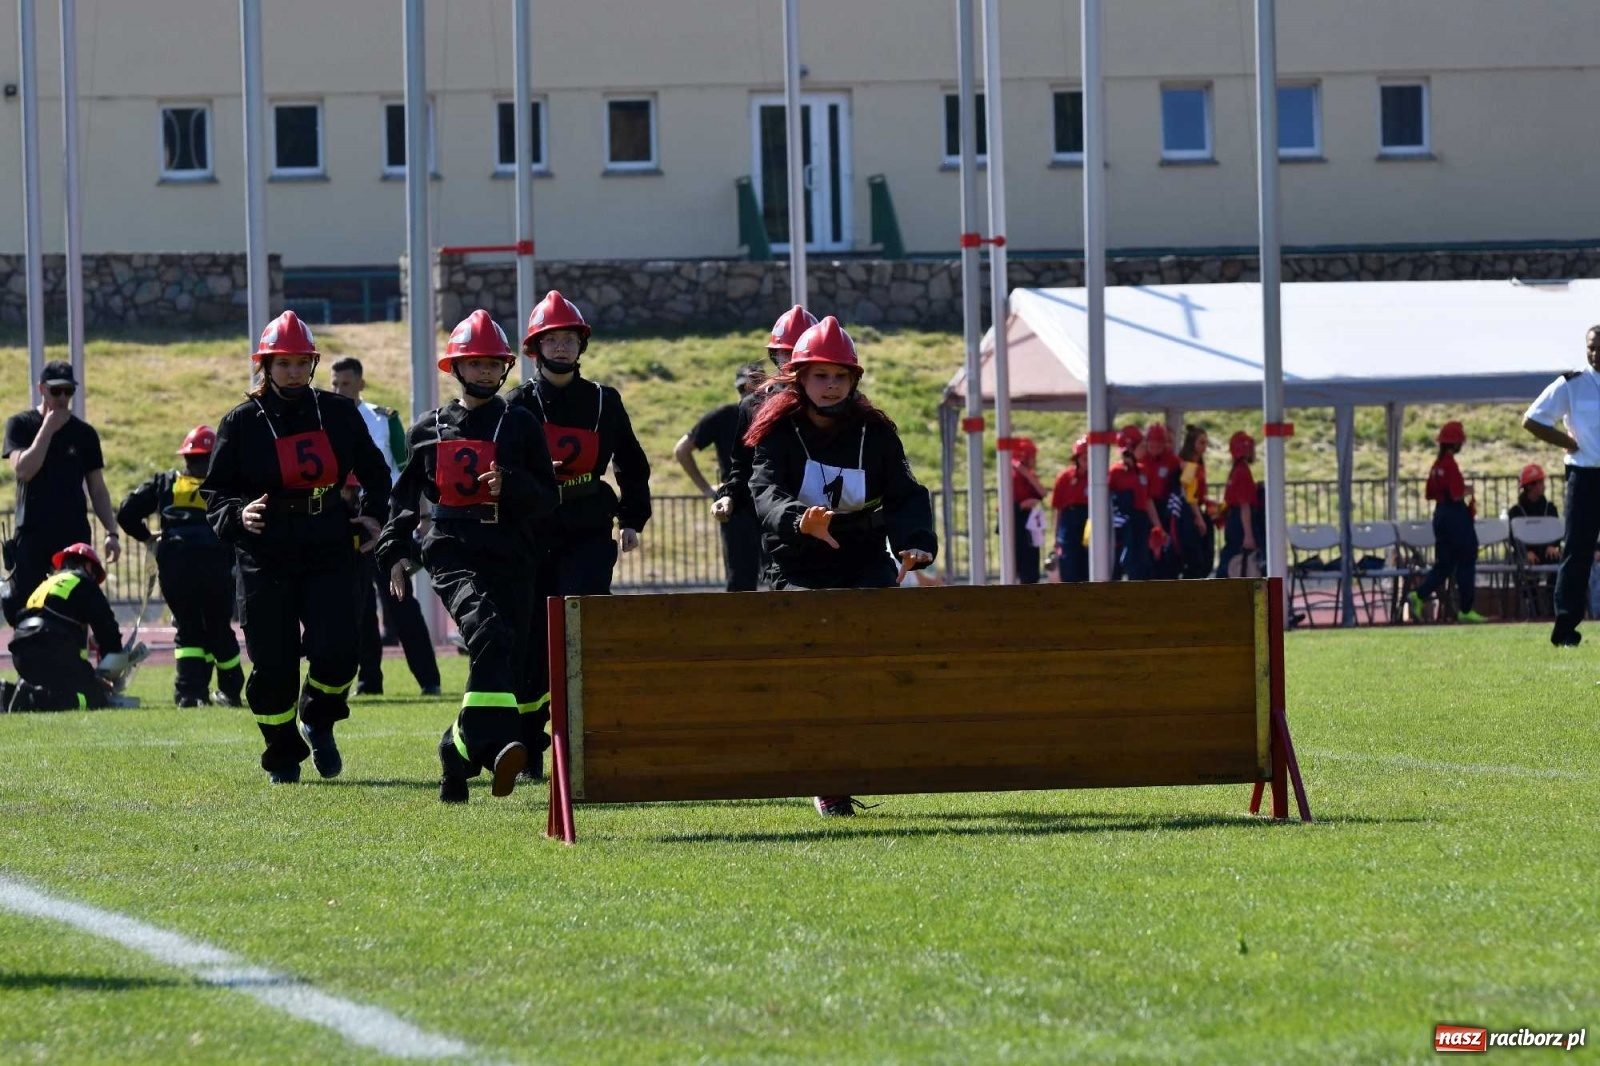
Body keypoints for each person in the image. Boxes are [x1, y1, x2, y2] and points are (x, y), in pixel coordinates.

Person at [747, 316, 936, 818]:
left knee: (878, 656)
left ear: (853, 381)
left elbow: (906, 494)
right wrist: (799, 521)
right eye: (819, 376)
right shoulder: (776, 432)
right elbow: (763, 491)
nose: (829, 386)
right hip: (796, 565)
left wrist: (916, 545)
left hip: (864, 559)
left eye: (839, 376)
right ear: (799, 378)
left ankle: (876, 756)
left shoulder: (876, 433)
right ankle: (827, 780)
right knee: (818, 667)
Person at [201, 311, 393, 785]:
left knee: (340, 651)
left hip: (328, 543)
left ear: (312, 364)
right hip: (263, 552)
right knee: (273, 662)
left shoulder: (339, 413)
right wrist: (236, 515)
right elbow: (216, 492)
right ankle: (282, 753)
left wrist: (373, 513)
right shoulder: (240, 422)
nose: (291, 371)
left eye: (300, 362)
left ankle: (319, 718)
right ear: (265, 365)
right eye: (281, 362)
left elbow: (376, 473)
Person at [377, 310, 560, 803]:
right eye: (473, 363)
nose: (483, 372)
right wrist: (394, 550)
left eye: (492, 363)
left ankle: (456, 755)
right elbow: (403, 500)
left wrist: (512, 485)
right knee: (488, 632)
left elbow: (548, 496)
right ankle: (497, 743)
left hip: (513, 553)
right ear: (455, 368)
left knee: (506, 652)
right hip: (452, 549)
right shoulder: (427, 428)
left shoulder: (521, 423)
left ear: (504, 368)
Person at [508, 290, 651, 764]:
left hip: (589, 525)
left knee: (580, 617)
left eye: (571, 338)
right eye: (553, 339)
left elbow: (632, 463)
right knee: (531, 635)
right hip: (533, 530)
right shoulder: (517, 403)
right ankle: (529, 739)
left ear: (581, 345)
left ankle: (590, 731)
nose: (563, 347)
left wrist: (633, 518)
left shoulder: (604, 401)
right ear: (536, 347)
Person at [328, 356, 441, 697]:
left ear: (361, 384)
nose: (338, 390)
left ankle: (429, 680)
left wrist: (420, 518)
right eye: (334, 384)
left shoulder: (383, 419)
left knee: (401, 600)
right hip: (345, 518)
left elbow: (408, 472)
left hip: (385, 517)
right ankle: (369, 681)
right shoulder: (323, 420)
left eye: (345, 384)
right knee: (357, 604)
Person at [115, 425, 245, 707]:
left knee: (188, 630)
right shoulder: (226, 486)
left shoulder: (166, 483)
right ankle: (230, 691)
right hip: (216, 569)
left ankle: (189, 693)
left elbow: (126, 512)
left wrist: (147, 537)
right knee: (219, 629)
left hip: (176, 569)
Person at [2, 361, 122, 627]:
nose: (63, 399)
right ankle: (29, 667)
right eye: (56, 392)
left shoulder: (84, 434)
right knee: (26, 608)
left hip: (72, 535)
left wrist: (111, 533)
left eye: (69, 391)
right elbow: (24, 470)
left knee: (76, 607)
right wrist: (47, 429)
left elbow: (98, 489)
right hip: (32, 532)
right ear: (42, 390)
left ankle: (76, 666)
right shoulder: (20, 424)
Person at [712, 305, 819, 585]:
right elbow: (742, 464)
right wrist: (729, 494)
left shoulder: (840, 403)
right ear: (775, 356)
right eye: (787, 353)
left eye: (802, 351)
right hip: (778, 527)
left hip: (831, 522)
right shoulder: (754, 405)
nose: (795, 360)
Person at [1523, 327, 1600, 646]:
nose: (1595, 353)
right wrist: (1566, 441)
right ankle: (1565, 628)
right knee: (1578, 551)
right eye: (1591, 348)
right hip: (1585, 478)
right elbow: (1532, 419)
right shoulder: (1572, 384)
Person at [0, 544, 134, 712]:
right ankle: (29, 699)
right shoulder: (84, 582)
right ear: (87, 566)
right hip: (51, 647)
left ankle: (6, 693)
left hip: (21, 652)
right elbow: (107, 627)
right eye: (94, 573)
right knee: (94, 697)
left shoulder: (48, 583)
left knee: (57, 687)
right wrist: (112, 665)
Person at [675, 362, 765, 591]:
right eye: (749, 387)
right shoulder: (726, 416)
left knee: (782, 577)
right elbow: (682, 449)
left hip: (772, 502)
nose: (754, 393)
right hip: (737, 504)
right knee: (741, 581)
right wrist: (708, 490)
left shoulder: (781, 418)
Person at [1406, 421, 1486, 624]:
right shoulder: (1450, 464)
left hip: (1440, 515)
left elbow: (1429, 493)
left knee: (1445, 564)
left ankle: (1418, 595)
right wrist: (1469, 490)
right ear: (1455, 443)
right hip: (1455, 516)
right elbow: (1457, 494)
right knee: (1467, 558)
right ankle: (1466, 609)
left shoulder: (1437, 465)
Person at [1108, 425, 1166, 581]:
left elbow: (1148, 500)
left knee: (1142, 564)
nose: (1145, 449)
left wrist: (1158, 526)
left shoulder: (1143, 470)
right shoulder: (1115, 472)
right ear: (1129, 449)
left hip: (1140, 522)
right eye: (1141, 446)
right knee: (1121, 563)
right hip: (1123, 525)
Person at [1141, 423, 1183, 580]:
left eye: (1160, 441)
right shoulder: (1141, 460)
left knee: (1167, 550)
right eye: (1153, 441)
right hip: (1145, 511)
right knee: (1147, 553)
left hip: (1165, 509)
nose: (1156, 445)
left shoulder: (1172, 461)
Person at [1215, 431, 1259, 578]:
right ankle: (1258, 600)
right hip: (1240, 523)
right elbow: (1244, 506)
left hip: (1233, 521)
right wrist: (1248, 535)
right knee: (1249, 565)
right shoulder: (1242, 472)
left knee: (1233, 563)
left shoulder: (1235, 471)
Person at [1176, 424, 1216, 579]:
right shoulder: (1188, 466)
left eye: (1206, 442)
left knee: (1206, 558)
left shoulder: (1199, 465)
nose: (1205, 446)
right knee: (1196, 560)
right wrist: (1198, 518)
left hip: (1198, 508)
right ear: (1192, 443)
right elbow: (1188, 494)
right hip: (1189, 513)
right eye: (1201, 442)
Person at [1051, 436, 1089, 583]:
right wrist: (1055, 536)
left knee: (1088, 559)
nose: (1086, 459)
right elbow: (1058, 509)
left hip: (1089, 520)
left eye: (1089, 455)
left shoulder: (1100, 478)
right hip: (1070, 520)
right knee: (1069, 561)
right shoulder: (1064, 478)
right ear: (1077, 458)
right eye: (1083, 456)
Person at [1009, 438, 1048, 584]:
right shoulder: (1010, 477)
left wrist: (1027, 474)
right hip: (1015, 523)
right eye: (1033, 457)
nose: (1035, 461)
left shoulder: (1029, 476)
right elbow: (1005, 505)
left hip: (1030, 525)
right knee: (1018, 564)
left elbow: (1042, 492)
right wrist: (1021, 506)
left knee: (1031, 566)